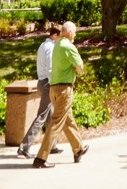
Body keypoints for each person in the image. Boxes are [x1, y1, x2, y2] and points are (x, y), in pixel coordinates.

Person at [33, 21, 90, 169]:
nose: (76, 35)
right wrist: (75, 68)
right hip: (64, 89)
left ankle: (78, 149)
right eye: (75, 32)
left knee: (68, 120)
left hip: (54, 89)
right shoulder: (69, 47)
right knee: (56, 123)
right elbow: (80, 68)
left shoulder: (57, 45)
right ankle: (40, 158)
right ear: (70, 32)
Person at [18, 24, 65, 157]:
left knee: (51, 115)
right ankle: (24, 147)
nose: (61, 39)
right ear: (55, 35)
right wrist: (54, 83)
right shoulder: (50, 48)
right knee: (42, 116)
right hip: (47, 83)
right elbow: (51, 68)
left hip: (42, 82)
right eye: (60, 36)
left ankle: (52, 145)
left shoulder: (43, 45)